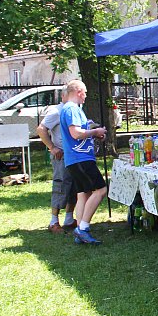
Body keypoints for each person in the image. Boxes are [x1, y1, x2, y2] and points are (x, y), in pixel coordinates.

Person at [59, 79, 107, 246]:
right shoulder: (72, 109)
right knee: (101, 190)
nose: (86, 96)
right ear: (79, 92)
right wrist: (96, 131)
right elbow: (76, 133)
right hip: (80, 158)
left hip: (74, 159)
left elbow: (81, 131)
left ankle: (80, 229)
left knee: (83, 194)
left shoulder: (70, 108)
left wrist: (94, 133)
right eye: (84, 93)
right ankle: (83, 228)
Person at [37, 86, 77, 234]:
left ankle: (69, 218)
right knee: (61, 184)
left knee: (74, 186)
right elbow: (41, 129)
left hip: (73, 154)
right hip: (61, 155)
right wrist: (52, 147)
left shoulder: (73, 109)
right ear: (64, 96)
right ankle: (53, 221)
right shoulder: (56, 111)